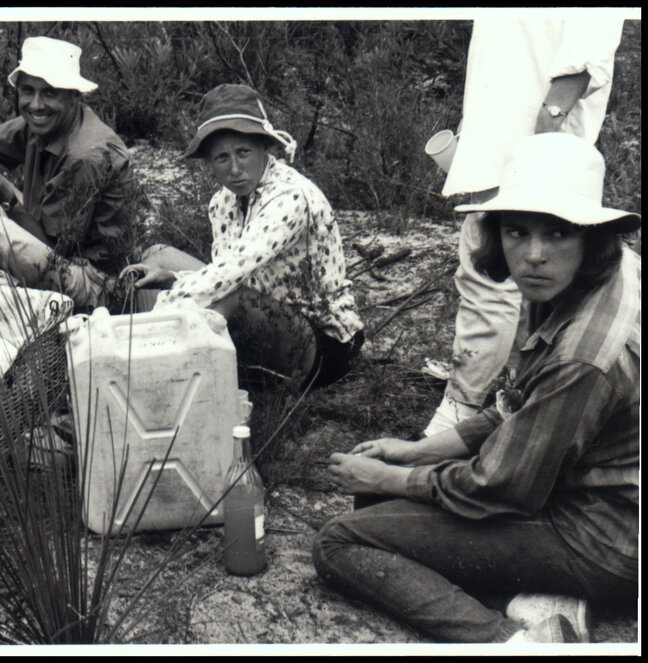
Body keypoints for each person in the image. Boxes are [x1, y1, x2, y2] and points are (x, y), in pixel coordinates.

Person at [313, 133, 640, 643]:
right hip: (592, 494)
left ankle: (514, 644)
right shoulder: (600, 273)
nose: (533, 255)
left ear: (590, 237)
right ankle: (539, 597)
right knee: (382, 507)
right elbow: (523, 409)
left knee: (340, 542)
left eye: (557, 234)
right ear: (497, 234)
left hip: (607, 538)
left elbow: (500, 486)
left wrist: (388, 478)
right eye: (517, 232)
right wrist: (416, 452)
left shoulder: (584, 353)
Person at [424, 18, 625, 436]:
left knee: (491, 284)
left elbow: (590, 41)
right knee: (520, 289)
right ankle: (519, 407)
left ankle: (457, 412)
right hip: (495, 137)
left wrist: (549, 124)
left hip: (533, 144)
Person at [120, 84, 364, 389]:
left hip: (321, 341)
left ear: (265, 148)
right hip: (265, 306)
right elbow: (227, 275)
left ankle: (158, 378)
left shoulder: (290, 198)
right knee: (157, 255)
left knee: (220, 298)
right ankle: (148, 364)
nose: (235, 169)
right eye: (222, 158)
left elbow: (231, 277)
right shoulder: (222, 202)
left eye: (243, 153)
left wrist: (164, 306)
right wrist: (170, 275)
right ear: (209, 163)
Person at [0, 36, 138, 310]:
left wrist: (6, 193)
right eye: (28, 91)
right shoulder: (41, 124)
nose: (36, 104)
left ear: (74, 96)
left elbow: (53, 255)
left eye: (50, 92)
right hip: (53, 246)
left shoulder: (85, 156)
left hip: (97, 285)